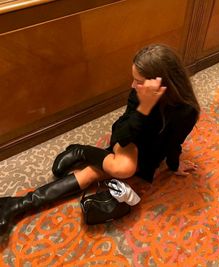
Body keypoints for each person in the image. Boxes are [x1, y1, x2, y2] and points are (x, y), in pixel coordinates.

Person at [0, 44, 200, 236]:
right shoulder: (140, 94)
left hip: (148, 152)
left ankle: (14, 205)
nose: (132, 85)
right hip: (129, 137)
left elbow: (174, 141)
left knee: (90, 174)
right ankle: (81, 151)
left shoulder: (186, 111)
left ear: (162, 83)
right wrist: (144, 108)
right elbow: (121, 135)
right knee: (123, 168)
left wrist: (174, 165)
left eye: (138, 81)